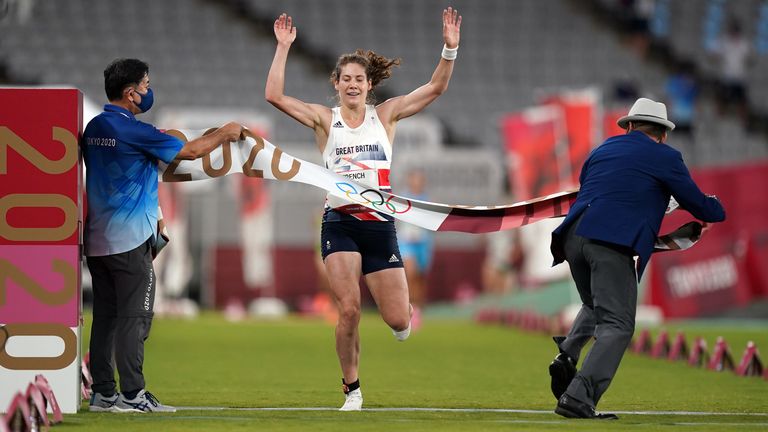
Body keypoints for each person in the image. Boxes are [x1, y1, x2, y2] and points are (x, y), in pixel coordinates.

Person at [265, 7, 461, 411]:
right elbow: (274, 96)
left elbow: (435, 88)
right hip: (339, 223)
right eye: (346, 79)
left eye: (359, 79)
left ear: (369, 84)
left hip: (380, 226)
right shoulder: (324, 120)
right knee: (350, 307)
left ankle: (403, 314)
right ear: (335, 84)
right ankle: (352, 389)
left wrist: (450, 48)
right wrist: (283, 47)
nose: (352, 85)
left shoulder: (385, 115)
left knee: (398, 322)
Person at [548, 98, 725, 420]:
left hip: (572, 237)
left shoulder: (602, 150)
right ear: (663, 134)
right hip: (609, 242)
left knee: (595, 305)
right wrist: (714, 208)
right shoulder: (666, 157)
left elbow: (596, 187)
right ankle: (578, 396)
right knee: (617, 324)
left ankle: (567, 355)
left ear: (629, 125)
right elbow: (700, 204)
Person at [83, 58, 242, 413]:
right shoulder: (134, 131)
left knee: (106, 316)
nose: (148, 90)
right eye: (145, 85)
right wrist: (227, 133)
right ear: (130, 94)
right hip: (130, 241)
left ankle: (103, 394)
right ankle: (134, 395)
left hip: (96, 240)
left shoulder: (93, 127)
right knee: (134, 318)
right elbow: (191, 152)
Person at [396, 169, 434, 327]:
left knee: (420, 278)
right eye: (414, 180)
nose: (417, 183)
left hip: (423, 243)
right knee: (409, 273)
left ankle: (418, 309)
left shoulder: (427, 201)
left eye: (420, 180)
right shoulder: (402, 198)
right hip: (406, 242)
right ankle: (408, 308)